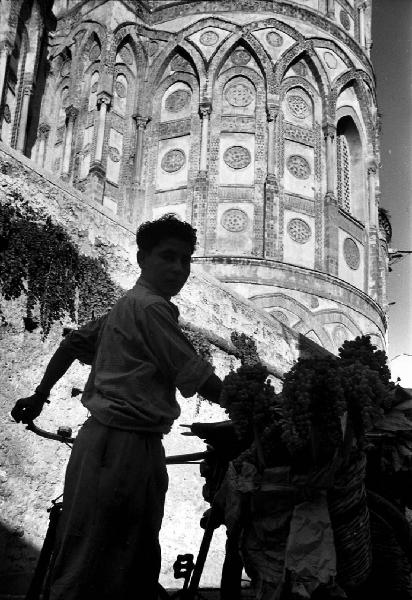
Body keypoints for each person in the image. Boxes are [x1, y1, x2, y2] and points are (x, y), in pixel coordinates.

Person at [11, 215, 223, 600]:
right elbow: (194, 373)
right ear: (143, 258)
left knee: (94, 550)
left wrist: (39, 396)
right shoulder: (149, 308)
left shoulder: (125, 309)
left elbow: (71, 345)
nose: (178, 269)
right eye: (168, 257)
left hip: (110, 444)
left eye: (186, 260)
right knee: (109, 556)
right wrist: (252, 406)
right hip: (123, 447)